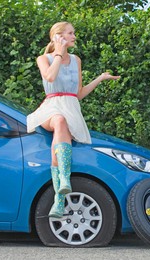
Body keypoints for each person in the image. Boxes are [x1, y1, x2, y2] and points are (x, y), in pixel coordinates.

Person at [27, 22, 120, 218]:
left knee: (62, 125)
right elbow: (50, 77)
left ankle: (59, 201)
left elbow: (77, 94)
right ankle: (64, 179)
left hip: (70, 107)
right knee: (59, 120)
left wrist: (100, 79)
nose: (74, 36)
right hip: (51, 107)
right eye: (70, 33)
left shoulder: (76, 60)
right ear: (58, 37)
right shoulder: (44, 58)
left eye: (73, 33)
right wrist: (59, 53)